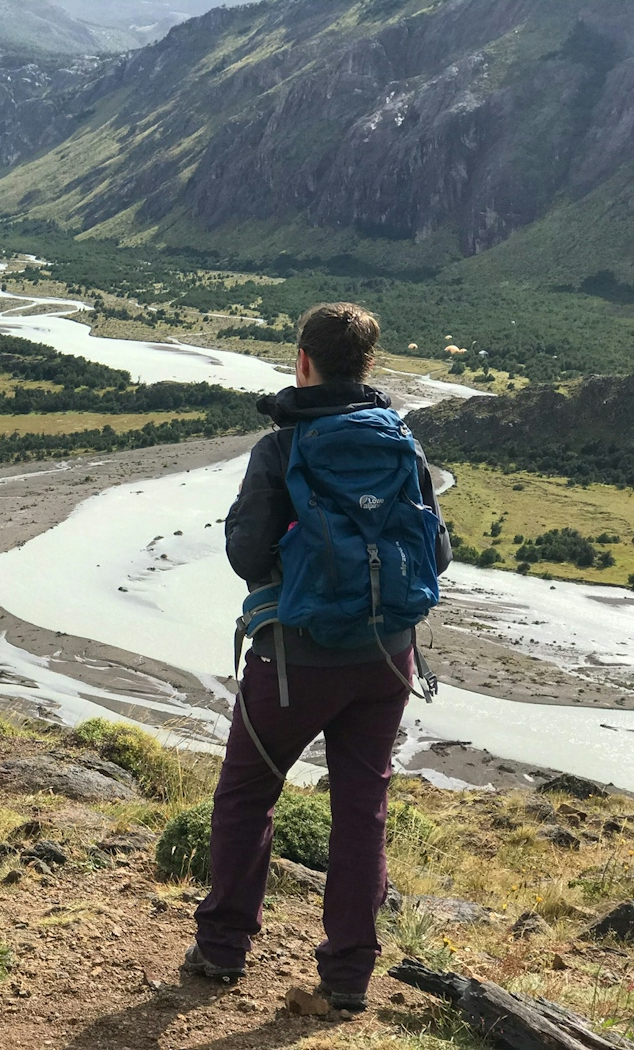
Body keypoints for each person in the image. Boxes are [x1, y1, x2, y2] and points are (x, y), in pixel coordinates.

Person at [182, 302, 452, 1011]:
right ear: (370, 364)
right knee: (362, 809)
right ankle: (348, 979)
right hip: (388, 659)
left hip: (296, 662)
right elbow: (440, 553)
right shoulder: (403, 444)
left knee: (247, 795)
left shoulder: (281, 448)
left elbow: (245, 553)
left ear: (303, 361)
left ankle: (222, 950)